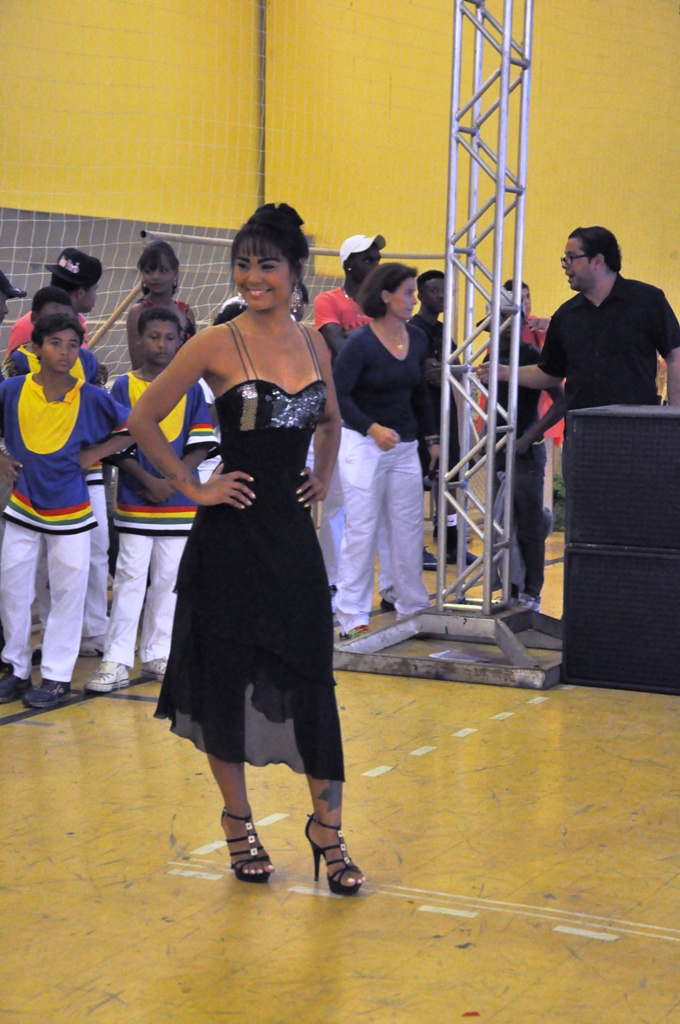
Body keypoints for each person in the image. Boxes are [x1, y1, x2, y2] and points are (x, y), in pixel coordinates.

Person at [126, 203, 364, 894]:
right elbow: (143, 418)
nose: (253, 277)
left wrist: (322, 476)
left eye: (267, 265)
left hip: (291, 541)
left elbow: (330, 419)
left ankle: (327, 830)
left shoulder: (315, 344)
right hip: (228, 542)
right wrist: (193, 487)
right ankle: (238, 823)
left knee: (312, 677)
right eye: (243, 264)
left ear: (297, 270)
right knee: (224, 681)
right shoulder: (215, 342)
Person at [85, 309, 216, 694]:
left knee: (168, 581)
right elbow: (115, 446)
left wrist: (172, 481)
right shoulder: (123, 387)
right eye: (154, 337)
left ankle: (159, 652)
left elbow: (201, 443)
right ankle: (116, 659)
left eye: (169, 338)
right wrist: (149, 481)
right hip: (136, 503)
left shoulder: (191, 388)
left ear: (181, 342)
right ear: (139, 340)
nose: (162, 345)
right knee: (129, 578)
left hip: (179, 505)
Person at [0, 313, 128, 708]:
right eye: (55, 343)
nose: (65, 352)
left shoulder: (91, 396)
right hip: (23, 506)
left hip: (72, 510)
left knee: (68, 594)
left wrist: (96, 452)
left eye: (73, 345)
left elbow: (135, 427)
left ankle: (57, 677)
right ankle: (16, 669)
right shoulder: (12, 389)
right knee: (12, 589)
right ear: (35, 348)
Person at [333, 263, 440, 639]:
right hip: (363, 446)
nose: (414, 299)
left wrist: (431, 439)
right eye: (408, 292)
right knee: (362, 530)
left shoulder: (418, 339)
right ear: (385, 296)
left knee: (409, 529)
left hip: (404, 447)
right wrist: (372, 428)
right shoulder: (359, 344)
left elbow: (420, 392)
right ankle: (351, 614)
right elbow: (340, 396)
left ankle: (413, 606)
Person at [479, 227, 680, 413]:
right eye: (564, 258)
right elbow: (550, 373)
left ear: (598, 261)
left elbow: (675, 356)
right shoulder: (565, 315)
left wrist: (674, 417)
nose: (565, 265)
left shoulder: (647, 300)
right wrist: (505, 372)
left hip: (636, 426)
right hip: (582, 428)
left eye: (572, 257)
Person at [488, 313, 566, 610]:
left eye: (511, 319)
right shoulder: (492, 355)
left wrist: (528, 437)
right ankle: (510, 588)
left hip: (525, 451)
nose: (504, 325)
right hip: (497, 449)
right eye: (498, 318)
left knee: (529, 523)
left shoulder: (531, 355)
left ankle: (532, 591)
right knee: (502, 523)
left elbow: (562, 402)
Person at [410, 269, 475, 566]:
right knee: (417, 482)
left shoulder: (442, 331)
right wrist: (432, 371)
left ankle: (451, 544)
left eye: (445, 291)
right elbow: (424, 372)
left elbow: (454, 370)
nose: (441, 296)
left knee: (450, 479)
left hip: (446, 415)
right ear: (420, 295)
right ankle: (415, 547)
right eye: (435, 290)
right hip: (420, 418)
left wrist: (445, 371)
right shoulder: (413, 330)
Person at [7, 247, 102, 356]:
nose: (96, 296)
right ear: (80, 293)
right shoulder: (28, 326)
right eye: (95, 290)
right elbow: (13, 365)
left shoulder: (79, 323)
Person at [127, 241, 197, 370]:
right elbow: (138, 365)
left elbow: (194, 359)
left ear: (175, 272)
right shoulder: (138, 312)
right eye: (148, 271)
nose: (155, 276)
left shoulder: (186, 312)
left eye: (163, 271)